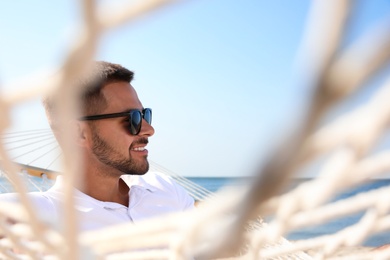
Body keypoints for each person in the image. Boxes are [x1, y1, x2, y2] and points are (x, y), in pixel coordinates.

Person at [0, 61, 194, 231]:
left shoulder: (165, 189)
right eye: (133, 119)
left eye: (145, 115)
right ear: (79, 133)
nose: (149, 129)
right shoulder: (34, 216)